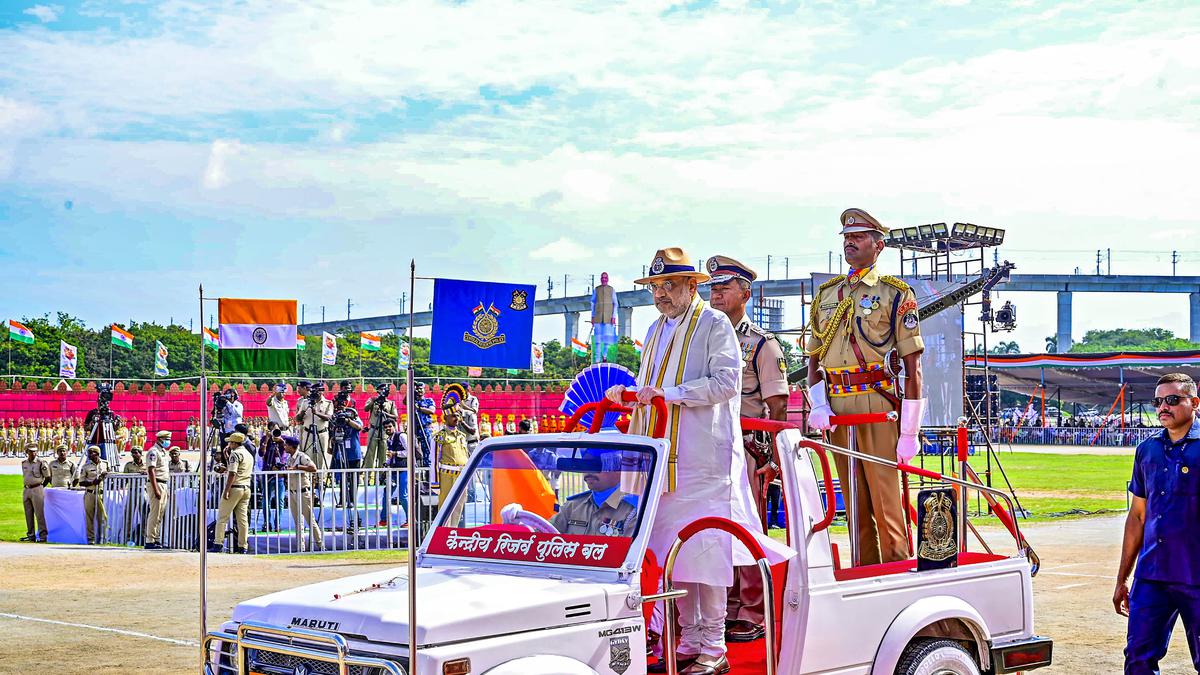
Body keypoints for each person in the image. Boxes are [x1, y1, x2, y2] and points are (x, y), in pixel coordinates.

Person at [606, 246, 789, 675]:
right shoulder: (654, 329)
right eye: (655, 287)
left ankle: (714, 646)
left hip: (703, 459)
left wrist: (670, 395)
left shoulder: (714, 322)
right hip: (663, 457)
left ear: (692, 286)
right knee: (674, 554)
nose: (661, 294)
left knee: (705, 552)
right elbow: (650, 383)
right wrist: (628, 392)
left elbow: (727, 382)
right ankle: (688, 638)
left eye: (669, 285)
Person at [806, 208, 925, 567]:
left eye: (858, 237)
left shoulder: (894, 294)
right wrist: (818, 404)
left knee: (888, 504)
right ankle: (865, 575)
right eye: (846, 237)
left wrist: (909, 430)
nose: (850, 242)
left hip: (879, 403)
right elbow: (813, 357)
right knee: (854, 505)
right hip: (838, 406)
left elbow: (913, 366)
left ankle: (897, 574)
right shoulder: (827, 295)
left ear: (879, 245)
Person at [706, 254, 790, 644]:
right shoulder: (703, 337)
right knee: (714, 529)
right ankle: (719, 607)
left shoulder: (762, 345)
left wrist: (772, 460)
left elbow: (778, 407)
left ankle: (752, 610)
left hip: (748, 447)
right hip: (710, 446)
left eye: (725, 286)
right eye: (712, 287)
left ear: (746, 292)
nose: (716, 293)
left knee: (748, 530)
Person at [1115, 372, 1200, 674]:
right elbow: (1138, 516)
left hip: (1196, 575)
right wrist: (1122, 577)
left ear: (1194, 403)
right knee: (1138, 658)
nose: (1164, 406)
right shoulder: (1147, 451)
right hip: (1152, 575)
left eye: (1173, 400)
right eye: (1158, 401)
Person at [550, 451, 638, 537]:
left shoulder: (634, 510)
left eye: (595, 465)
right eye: (584, 464)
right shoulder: (573, 507)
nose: (588, 471)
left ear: (618, 469)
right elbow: (543, 532)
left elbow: (632, 549)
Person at [210, 432, 254, 554]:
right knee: (242, 519)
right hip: (246, 487)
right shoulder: (248, 454)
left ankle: (218, 543)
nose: (229, 444)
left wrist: (227, 489)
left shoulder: (236, 454)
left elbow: (233, 473)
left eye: (230, 442)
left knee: (222, 517)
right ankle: (242, 546)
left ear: (234, 443)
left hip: (235, 487)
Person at [281, 434, 324, 552]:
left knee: (310, 519)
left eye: (286, 444)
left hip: (303, 492)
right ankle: (301, 547)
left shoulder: (301, 456)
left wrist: (297, 467)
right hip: (292, 491)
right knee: (297, 521)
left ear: (291, 446)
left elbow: (313, 468)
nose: (284, 446)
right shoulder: (290, 458)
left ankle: (320, 544)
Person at [330, 391, 364, 534]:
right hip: (340, 453)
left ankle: (352, 499)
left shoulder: (355, 419)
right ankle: (343, 499)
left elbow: (359, 427)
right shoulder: (336, 418)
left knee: (353, 479)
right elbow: (332, 432)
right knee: (343, 478)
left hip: (353, 455)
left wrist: (348, 420)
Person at [433, 399, 470, 508]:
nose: (457, 418)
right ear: (445, 418)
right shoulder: (439, 436)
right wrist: (435, 483)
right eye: (453, 416)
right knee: (445, 507)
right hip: (447, 476)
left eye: (458, 416)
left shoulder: (462, 436)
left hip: (462, 476)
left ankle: (454, 526)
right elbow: (434, 461)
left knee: (459, 507)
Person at [294, 381, 333, 472]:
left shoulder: (328, 403)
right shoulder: (305, 402)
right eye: (315, 391)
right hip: (308, 433)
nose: (317, 393)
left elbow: (329, 418)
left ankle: (320, 480)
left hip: (321, 433)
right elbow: (298, 419)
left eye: (320, 391)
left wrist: (317, 413)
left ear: (322, 391)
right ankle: (310, 480)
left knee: (321, 458)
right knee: (307, 457)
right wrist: (304, 410)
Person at [379, 419, 411, 527]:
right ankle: (384, 519)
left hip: (403, 470)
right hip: (393, 470)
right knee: (386, 493)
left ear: (395, 426)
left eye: (390, 426)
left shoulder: (401, 436)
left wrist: (395, 453)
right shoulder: (389, 440)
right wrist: (386, 463)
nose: (388, 429)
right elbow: (390, 455)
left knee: (403, 496)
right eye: (386, 427)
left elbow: (409, 452)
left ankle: (410, 520)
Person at [144, 430, 171, 549]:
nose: (168, 442)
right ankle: (150, 540)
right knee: (155, 512)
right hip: (157, 483)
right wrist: (156, 489)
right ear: (160, 439)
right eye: (166, 439)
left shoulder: (163, 452)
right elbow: (151, 470)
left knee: (160, 513)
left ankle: (156, 539)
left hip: (163, 483)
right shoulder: (153, 452)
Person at [363, 383, 398, 470]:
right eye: (381, 390)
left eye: (385, 390)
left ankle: (381, 476)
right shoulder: (373, 400)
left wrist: (385, 413)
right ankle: (368, 475)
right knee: (370, 454)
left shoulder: (391, 403)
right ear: (378, 391)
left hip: (384, 430)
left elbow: (395, 416)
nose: (383, 392)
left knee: (383, 454)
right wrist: (374, 401)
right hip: (373, 429)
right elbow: (366, 409)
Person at [79, 446, 109, 545]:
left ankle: (102, 538)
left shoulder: (105, 464)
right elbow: (81, 482)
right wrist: (93, 482)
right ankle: (90, 539)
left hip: (101, 494)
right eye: (89, 453)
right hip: (90, 493)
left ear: (97, 453)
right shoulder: (86, 467)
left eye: (92, 452)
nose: (89, 454)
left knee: (101, 517)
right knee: (89, 517)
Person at [20, 444, 50, 542]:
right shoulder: (24, 463)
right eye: (31, 451)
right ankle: (31, 535)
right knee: (28, 514)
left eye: (35, 451)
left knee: (39, 514)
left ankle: (43, 536)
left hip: (37, 489)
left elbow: (48, 477)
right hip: (26, 489)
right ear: (26, 452)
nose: (33, 453)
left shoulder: (41, 462)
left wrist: (40, 486)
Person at [410, 382, 436, 467]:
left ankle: (428, 475)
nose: (419, 390)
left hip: (425, 428)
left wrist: (419, 408)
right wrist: (411, 391)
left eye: (421, 388)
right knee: (414, 451)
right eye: (417, 388)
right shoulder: (412, 400)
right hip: (414, 429)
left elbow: (432, 411)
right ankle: (416, 475)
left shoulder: (428, 400)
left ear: (424, 390)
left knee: (427, 452)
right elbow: (405, 401)